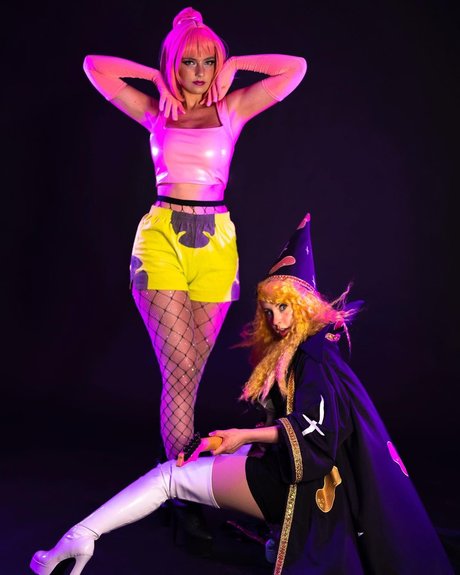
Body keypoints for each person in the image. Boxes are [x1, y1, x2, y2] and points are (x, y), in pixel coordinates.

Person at [30, 213, 453, 574]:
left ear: (304, 306)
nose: (277, 319)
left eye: (284, 308)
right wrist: (229, 442)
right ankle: (274, 537)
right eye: (269, 311)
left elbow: (315, 432)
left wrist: (243, 436)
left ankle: (78, 538)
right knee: (207, 457)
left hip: (296, 488)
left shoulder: (313, 357)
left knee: (169, 478)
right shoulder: (301, 346)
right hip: (295, 472)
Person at [82, 6, 306, 547]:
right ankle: (182, 496)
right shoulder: (155, 111)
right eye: (189, 62)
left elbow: (294, 68)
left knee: (187, 376)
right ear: (174, 65)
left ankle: (181, 493)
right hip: (160, 239)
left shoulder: (233, 109)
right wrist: (155, 77)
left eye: (209, 61)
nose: (200, 72)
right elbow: (94, 65)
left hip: (217, 245)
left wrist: (238, 64)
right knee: (180, 368)